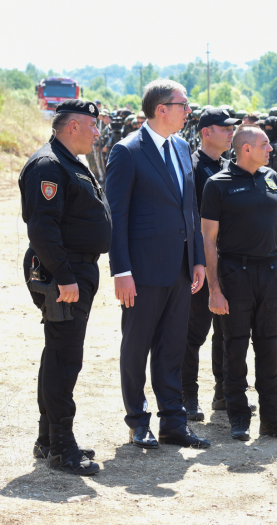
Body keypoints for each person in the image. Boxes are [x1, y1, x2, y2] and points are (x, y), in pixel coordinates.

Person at [106, 79, 210, 449]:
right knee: (136, 347)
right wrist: (121, 270)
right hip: (142, 271)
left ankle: (173, 422)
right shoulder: (127, 151)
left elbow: (190, 210)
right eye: (183, 104)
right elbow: (116, 217)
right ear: (161, 109)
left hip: (181, 268)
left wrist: (197, 259)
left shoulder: (182, 147)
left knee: (172, 347)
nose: (188, 110)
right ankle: (138, 421)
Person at [20, 100, 110, 475]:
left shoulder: (69, 161)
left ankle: (48, 439)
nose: (97, 132)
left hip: (74, 269)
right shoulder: (49, 165)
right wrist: (65, 276)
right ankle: (61, 447)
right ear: (72, 125)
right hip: (64, 272)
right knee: (64, 358)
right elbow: (43, 228)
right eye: (92, 125)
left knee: (57, 353)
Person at [200, 125, 277, 441]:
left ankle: (272, 420)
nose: (270, 150)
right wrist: (214, 289)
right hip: (235, 275)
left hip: (270, 274)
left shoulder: (270, 177)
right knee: (236, 347)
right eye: (264, 144)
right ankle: (238, 417)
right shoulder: (218, 185)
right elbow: (208, 238)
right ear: (246, 149)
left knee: (269, 348)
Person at [181, 108, 240, 420]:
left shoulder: (231, 167)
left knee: (227, 330)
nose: (231, 132)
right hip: (200, 263)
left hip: (229, 263)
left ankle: (224, 393)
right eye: (224, 128)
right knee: (194, 332)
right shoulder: (190, 168)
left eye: (232, 128)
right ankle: (187, 395)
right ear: (206, 132)